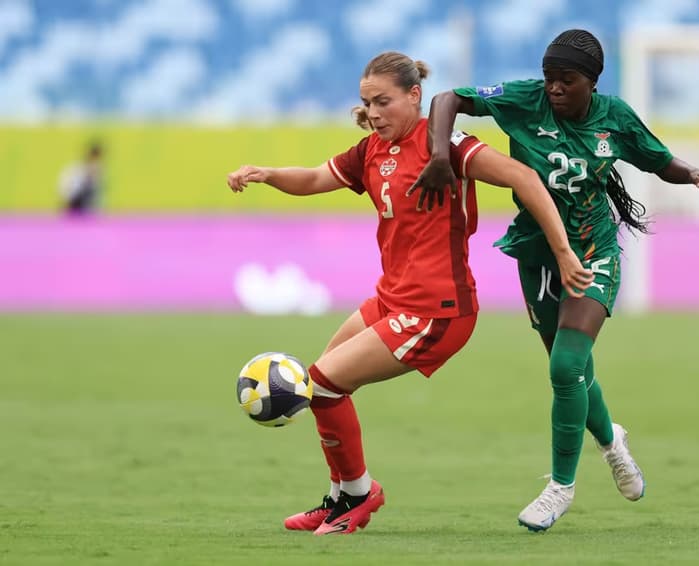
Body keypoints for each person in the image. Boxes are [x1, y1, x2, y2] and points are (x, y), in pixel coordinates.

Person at [226, 51, 593, 536]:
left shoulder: (446, 145)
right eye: (367, 103)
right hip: (392, 298)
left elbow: (524, 177)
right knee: (323, 388)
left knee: (324, 382)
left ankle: (359, 494)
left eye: (383, 102)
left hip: (436, 311)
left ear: (414, 95)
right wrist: (267, 174)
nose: (374, 113)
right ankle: (341, 496)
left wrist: (563, 252)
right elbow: (315, 178)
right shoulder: (372, 151)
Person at [409, 29, 699, 532]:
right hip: (537, 253)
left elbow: (658, 160)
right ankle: (612, 442)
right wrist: (437, 155)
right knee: (574, 373)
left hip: (592, 251)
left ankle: (560, 487)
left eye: (567, 80)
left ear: (592, 83)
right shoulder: (525, 99)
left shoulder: (615, 117)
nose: (555, 88)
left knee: (565, 365)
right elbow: (447, 99)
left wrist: (696, 175)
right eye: (549, 78)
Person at [58, 141, 104, 215]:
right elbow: (69, 189)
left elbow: (95, 193)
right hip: (75, 200)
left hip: (84, 203)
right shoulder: (77, 168)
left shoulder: (96, 170)